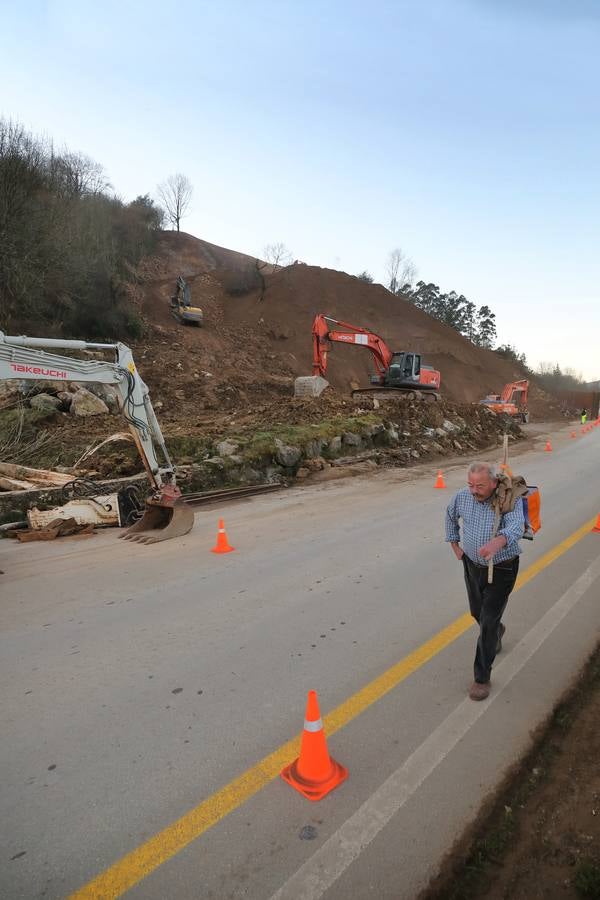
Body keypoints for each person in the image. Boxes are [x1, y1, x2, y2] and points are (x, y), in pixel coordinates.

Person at [445, 462, 524, 701]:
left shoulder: (508, 498)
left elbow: (517, 527)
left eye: (479, 486)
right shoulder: (462, 496)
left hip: (501, 567)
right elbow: (450, 516)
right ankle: (496, 630)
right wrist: (454, 544)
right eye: (470, 484)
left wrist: (497, 542)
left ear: (493, 482)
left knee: (487, 622)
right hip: (472, 564)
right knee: (477, 612)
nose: (474, 490)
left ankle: (482, 678)